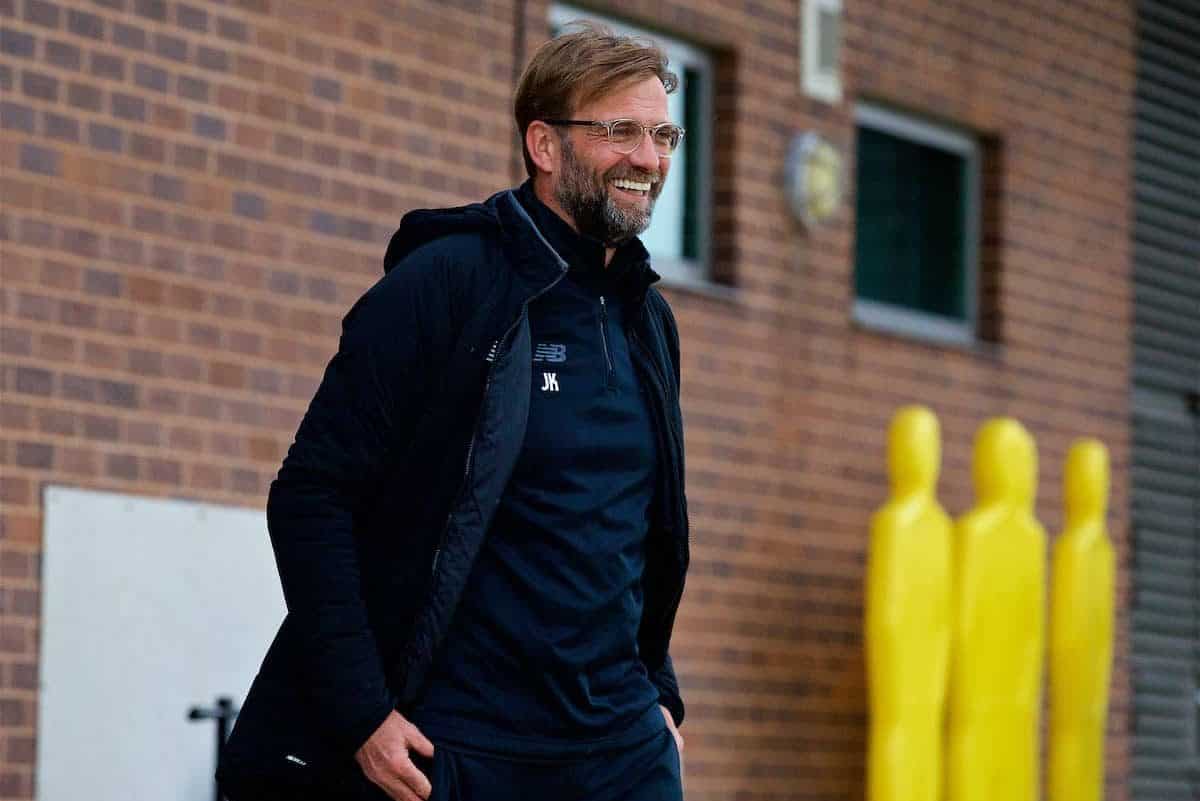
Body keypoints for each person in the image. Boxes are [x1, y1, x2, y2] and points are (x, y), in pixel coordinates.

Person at [218, 22, 689, 801]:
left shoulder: (647, 320)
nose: (649, 158)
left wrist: (659, 693)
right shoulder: (447, 284)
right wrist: (363, 711)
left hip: (619, 753)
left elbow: (642, 526)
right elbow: (311, 495)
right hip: (461, 750)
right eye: (619, 131)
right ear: (544, 144)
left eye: (662, 133)